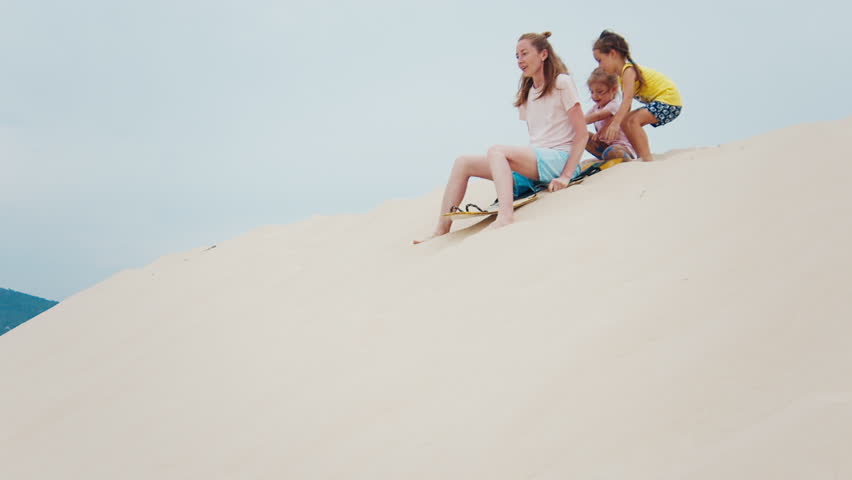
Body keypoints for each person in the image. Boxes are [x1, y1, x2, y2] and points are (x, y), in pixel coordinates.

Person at [413, 32, 588, 244]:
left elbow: (581, 134)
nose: (520, 60)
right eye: (516, 56)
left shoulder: (562, 82)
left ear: (543, 54)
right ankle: (441, 229)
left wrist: (566, 176)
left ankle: (505, 217)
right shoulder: (528, 93)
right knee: (463, 163)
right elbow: (539, 139)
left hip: (560, 160)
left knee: (497, 151)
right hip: (538, 163)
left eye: (524, 54)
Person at [592, 30, 682, 162]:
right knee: (626, 121)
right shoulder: (621, 76)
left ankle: (646, 159)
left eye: (600, 60)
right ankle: (640, 157)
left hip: (669, 101)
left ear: (612, 54)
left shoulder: (628, 71)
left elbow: (627, 100)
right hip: (665, 102)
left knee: (634, 121)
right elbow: (626, 109)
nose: (599, 65)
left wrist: (615, 124)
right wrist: (609, 125)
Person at [584, 67, 636, 162]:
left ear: (613, 89)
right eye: (592, 92)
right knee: (583, 135)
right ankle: (604, 158)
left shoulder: (614, 105)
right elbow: (584, 118)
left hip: (621, 147)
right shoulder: (595, 108)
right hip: (606, 147)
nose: (595, 96)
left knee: (612, 152)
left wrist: (577, 121)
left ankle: (625, 160)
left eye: (600, 92)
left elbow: (597, 116)